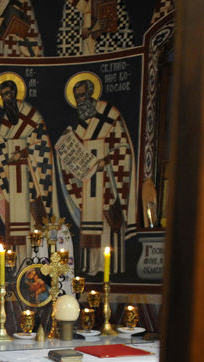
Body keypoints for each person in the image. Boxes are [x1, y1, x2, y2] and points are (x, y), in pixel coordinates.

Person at [57, 76, 137, 278]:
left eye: (83, 95)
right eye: (77, 98)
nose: (81, 101)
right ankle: (91, 267)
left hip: (107, 179)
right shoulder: (78, 123)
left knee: (108, 222)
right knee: (90, 222)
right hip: (87, 182)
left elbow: (122, 148)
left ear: (91, 94)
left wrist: (105, 161)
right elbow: (71, 155)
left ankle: (110, 268)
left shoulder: (110, 114)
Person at [0, 76, 57, 242]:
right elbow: (2, 145)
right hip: (14, 179)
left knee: (35, 217)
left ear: (16, 93)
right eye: (3, 95)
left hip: (33, 179)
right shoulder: (7, 121)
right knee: (17, 216)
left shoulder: (31, 115)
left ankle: (40, 256)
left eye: (9, 93)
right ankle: (18, 261)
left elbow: (42, 145)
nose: (7, 98)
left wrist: (23, 152)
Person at [57, 0, 135, 56]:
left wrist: (91, 30)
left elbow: (110, 24)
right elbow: (67, 34)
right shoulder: (71, 5)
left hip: (105, 55)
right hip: (75, 59)